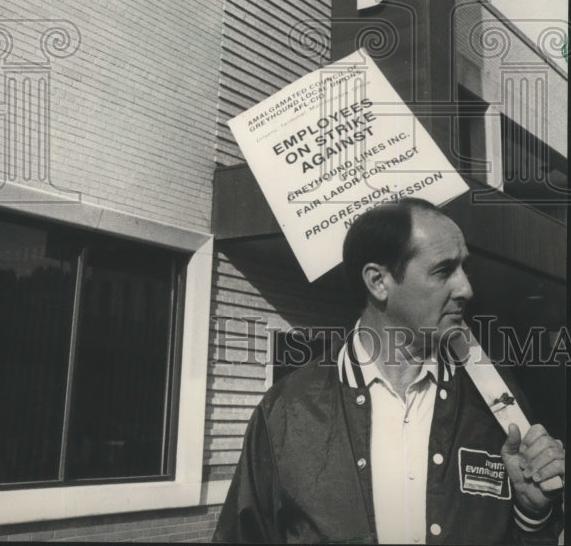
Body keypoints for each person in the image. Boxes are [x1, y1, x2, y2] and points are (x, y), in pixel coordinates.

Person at [213, 199, 565, 544]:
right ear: (378, 282)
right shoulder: (288, 409)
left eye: (464, 269)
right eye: (443, 270)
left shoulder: (498, 403)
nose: (466, 289)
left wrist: (532, 515)